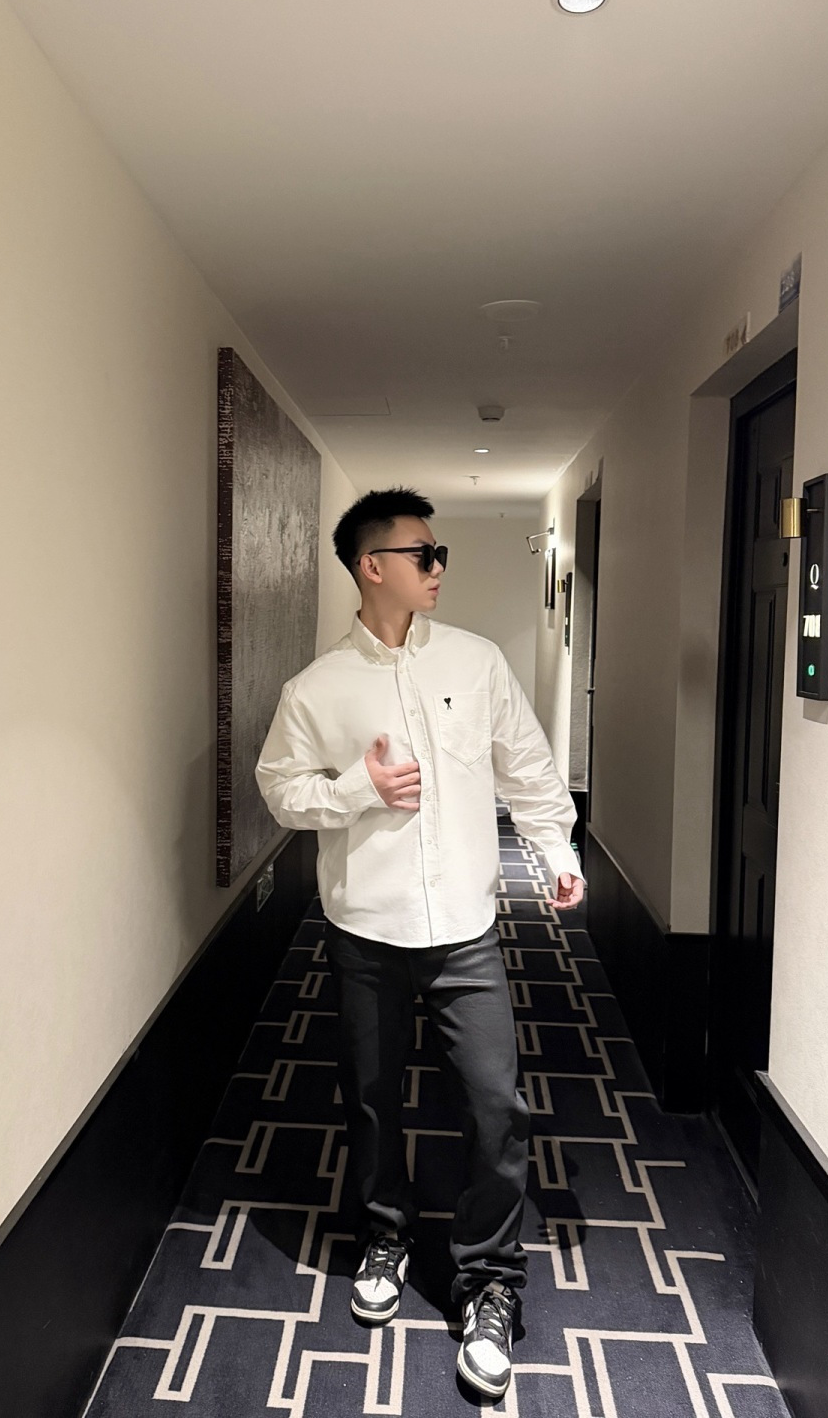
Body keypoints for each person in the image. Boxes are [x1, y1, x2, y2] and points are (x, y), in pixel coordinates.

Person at [255, 487, 584, 1398]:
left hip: (467, 933)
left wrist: (556, 849)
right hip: (366, 930)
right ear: (372, 567)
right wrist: (357, 789)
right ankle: (385, 1235)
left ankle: (489, 1279)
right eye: (422, 554)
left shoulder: (477, 663)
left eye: (439, 553)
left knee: (495, 1106)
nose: (439, 567)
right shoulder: (316, 689)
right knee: (372, 1100)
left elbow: (527, 765)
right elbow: (280, 789)